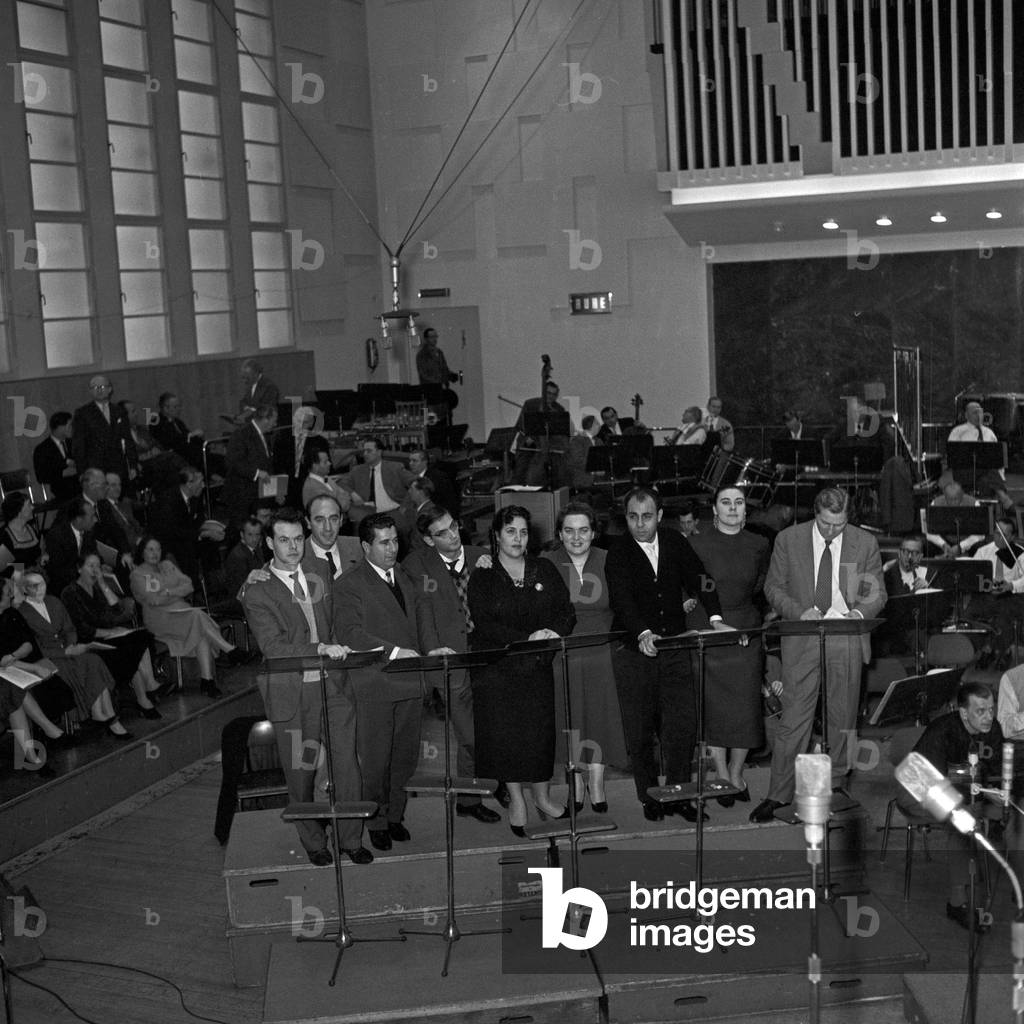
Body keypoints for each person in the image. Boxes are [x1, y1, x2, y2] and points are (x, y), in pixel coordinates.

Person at [242, 508, 371, 866]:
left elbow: (338, 617)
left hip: (334, 685)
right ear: (269, 543)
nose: (294, 546)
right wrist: (320, 648)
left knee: (348, 768)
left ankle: (350, 839)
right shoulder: (256, 591)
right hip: (294, 693)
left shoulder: (320, 570)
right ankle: (314, 842)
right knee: (301, 774)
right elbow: (274, 648)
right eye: (284, 540)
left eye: (299, 538)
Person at [750, 487, 886, 823]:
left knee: (844, 718)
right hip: (802, 634)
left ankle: (836, 784)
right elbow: (773, 587)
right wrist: (799, 612)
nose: (832, 531)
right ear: (815, 514)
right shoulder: (788, 539)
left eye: (839, 525)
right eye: (826, 524)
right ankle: (778, 794)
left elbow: (877, 592)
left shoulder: (864, 543)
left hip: (846, 635)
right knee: (794, 719)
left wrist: (858, 614)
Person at [606, 486, 728, 822]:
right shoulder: (618, 552)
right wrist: (643, 632)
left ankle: (679, 794)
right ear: (625, 518)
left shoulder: (674, 541)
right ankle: (649, 797)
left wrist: (715, 617)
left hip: (675, 648)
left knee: (681, 727)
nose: (640, 524)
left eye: (647, 516)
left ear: (659, 516)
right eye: (633, 517)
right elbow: (621, 600)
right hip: (634, 651)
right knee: (641, 729)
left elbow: (702, 579)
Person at [467, 506, 575, 835]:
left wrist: (553, 632)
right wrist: (527, 639)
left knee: (539, 736)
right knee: (506, 738)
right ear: (497, 535)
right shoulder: (484, 574)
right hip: (498, 670)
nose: (518, 538)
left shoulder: (544, 568)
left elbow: (566, 611)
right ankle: (517, 799)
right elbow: (484, 623)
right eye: (510, 531)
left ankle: (543, 797)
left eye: (523, 532)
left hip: (537, 666)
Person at [334, 513, 433, 851]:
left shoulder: (404, 575)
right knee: (376, 762)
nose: (392, 548)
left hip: (410, 681)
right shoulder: (349, 583)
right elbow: (349, 632)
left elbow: (420, 623)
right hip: (375, 683)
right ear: (365, 547)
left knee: (405, 759)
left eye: (395, 541)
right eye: (384, 542)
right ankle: (375, 820)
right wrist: (394, 651)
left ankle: (394, 816)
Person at [401, 505, 501, 824]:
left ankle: (470, 798)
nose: (453, 536)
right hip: (448, 658)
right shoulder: (416, 565)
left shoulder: (481, 555)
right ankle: (491, 783)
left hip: (487, 655)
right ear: (429, 540)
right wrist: (433, 650)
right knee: (470, 735)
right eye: (442, 533)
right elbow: (422, 611)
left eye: (454, 527)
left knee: (491, 726)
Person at [542, 502, 627, 813]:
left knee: (600, 719)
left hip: (603, 654)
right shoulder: (546, 563)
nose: (576, 537)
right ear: (560, 534)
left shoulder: (610, 559)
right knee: (571, 719)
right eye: (569, 531)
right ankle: (575, 782)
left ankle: (597, 782)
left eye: (583, 530)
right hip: (562, 655)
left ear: (593, 533)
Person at [900, 682, 1003, 932]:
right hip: (917, 789)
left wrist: (997, 791)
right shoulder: (942, 731)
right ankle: (958, 903)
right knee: (962, 822)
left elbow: (994, 770)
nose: (988, 716)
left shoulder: (993, 729)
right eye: (981, 711)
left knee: (993, 812)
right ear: (963, 712)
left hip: (964, 791)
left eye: (991, 709)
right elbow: (926, 781)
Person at [689, 486, 769, 804]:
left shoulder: (759, 544)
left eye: (738, 502)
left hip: (746, 627)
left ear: (746, 509)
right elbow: (692, 584)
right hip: (708, 626)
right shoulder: (697, 543)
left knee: (745, 707)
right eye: (726, 502)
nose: (733, 508)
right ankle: (721, 774)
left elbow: (760, 584)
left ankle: (737, 771)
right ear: (714, 509)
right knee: (715, 707)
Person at [17, 569, 130, 738]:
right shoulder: (22, 612)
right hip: (49, 657)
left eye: (42, 583)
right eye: (34, 585)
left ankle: (103, 713)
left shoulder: (54, 601)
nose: (40, 588)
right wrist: (65, 651)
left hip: (68, 649)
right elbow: (35, 646)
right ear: (25, 589)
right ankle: (109, 719)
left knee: (94, 660)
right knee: (79, 665)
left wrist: (71, 644)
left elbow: (69, 629)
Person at [130, 535, 237, 699]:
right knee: (197, 616)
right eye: (150, 549)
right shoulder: (138, 574)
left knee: (199, 629)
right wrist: (174, 593)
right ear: (142, 552)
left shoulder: (167, 565)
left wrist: (168, 592)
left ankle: (207, 680)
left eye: (158, 549)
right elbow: (154, 600)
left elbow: (189, 585)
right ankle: (228, 649)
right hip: (159, 619)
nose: (155, 553)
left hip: (182, 613)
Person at [62, 552, 161, 718]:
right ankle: (144, 696)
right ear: (79, 569)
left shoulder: (98, 588)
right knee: (128, 649)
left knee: (142, 636)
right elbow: (82, 628)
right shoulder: (70, 592)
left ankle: (147, 689)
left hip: (110, 634)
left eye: (98, 566)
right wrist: (109, 632)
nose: (95, 570)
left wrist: (102, 583)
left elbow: (117, 610)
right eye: (91, 566)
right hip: (90, 640)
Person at [0, 575, 75, 769]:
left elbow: (28, 644)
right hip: (8, 673)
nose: (12, 596)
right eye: (8, 593)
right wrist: (29, 666)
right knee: (11, 691)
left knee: (13, 693)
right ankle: (47, 734)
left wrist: (13, 656)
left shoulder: (11, 614)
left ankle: (32, 755)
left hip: (11, 670)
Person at [947, 401, 1015, 513]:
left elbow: (997, 459)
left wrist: (1001, 477)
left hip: (987, 475)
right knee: (987, 467)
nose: (978, 415)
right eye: (974, 413)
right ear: (966, 415)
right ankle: (1004, 499)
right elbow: (952, 457)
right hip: (965, 472)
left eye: (980, 412)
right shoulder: (957, 432)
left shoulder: (990, 433)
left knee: (985, 479)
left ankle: (985, 515)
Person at [218, 405, 278, 528]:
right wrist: (257, 473)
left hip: (256, 494)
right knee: (239, 529)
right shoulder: (241, 434)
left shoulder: (264, 435)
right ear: (265, 419)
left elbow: (266, 464)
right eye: (274, 420)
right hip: (241, 495)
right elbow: (233, 462)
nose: (275, 424)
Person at [148, 466, 207, 584]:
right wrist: (199, 534)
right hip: (168, 543)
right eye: (200, 482)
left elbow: (198, 519)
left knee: (209, 545)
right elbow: (172, 531)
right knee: (188, 551)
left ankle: (210, 582)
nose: (203, 485)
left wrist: (206, 529)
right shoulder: (168, 501)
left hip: (185, 538)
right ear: (189, 484)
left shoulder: (195, 496)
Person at [70, 375, 137, 478]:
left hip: (118, 465)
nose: (99, 390)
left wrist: (132, 465)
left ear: (110, 389)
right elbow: (79, 444)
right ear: (90, 391)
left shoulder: (119, 411)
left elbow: (128, 439)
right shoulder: (83, 413)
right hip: (95, 467)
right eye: (95, 388)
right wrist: (82, 471)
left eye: (102, 387)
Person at [511, 380, 571, 488]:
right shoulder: (530, 404)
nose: (551, 396)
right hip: (530, 442)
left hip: (548, 445)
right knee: (522, 468)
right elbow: (520, 425)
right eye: (548, 393)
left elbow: (561, 430)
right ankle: (519, 487)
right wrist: (529, 436)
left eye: (554, 394)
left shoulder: (559, 409)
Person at [340, 437, 414, 518]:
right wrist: (352, 494)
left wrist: (405, 505)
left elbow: (416, 482)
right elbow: (341, 483)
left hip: (393, 511)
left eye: (369, 451)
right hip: (366, 513)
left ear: (379, 452)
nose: (365, 454)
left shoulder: (395, 468)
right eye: (364, 451)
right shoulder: (357, 470)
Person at [44, 497, 98, 595]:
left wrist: (101, 564)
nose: (95, 520)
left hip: (85, 579)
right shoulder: (56, 536)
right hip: (64, 586)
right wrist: (84, 572)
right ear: (79, 520)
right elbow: (59, 570)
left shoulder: (89, 532)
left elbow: (93, 553)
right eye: (92, 517)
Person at [33, 411, 77, 503]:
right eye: (69, 425)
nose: (72, 428)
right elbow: (41, 476)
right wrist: (62, 473)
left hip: (81, 484)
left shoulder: (74, 443)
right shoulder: (43, 449)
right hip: (61, 488)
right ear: (60, 427)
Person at [407, 449, 459, 519]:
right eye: (410, 460)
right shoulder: (410, 477)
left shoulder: (438, 478)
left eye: (414, 461)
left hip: (438, 516)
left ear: (425, 462)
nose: (410, 463)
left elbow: (449, 501)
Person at [0, 493, 44, 572]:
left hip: (36, 576)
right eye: (29, 505)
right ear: (19, 511)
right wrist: (27, 570)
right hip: (16, 578)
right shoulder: (4, 536)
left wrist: (42, 557)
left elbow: (36, 555)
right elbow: (3, 568)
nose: (33, 507)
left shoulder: (31, 529)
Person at [301, 448, 352, 514]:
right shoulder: (313, 488)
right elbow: (342, 506)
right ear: (315, 466)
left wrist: (340, 496)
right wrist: (344, 495)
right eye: (325, 462)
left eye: (328, 460)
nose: (329, 463)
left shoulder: (325, 477)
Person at [103, 472, 143, 551]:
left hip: (140, 541)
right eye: (114, 485)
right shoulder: (104, 509)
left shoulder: (124, 503)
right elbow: (114, 537)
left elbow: (137, 526)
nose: (118, 488)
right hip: (127, 548)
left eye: (119, 485)